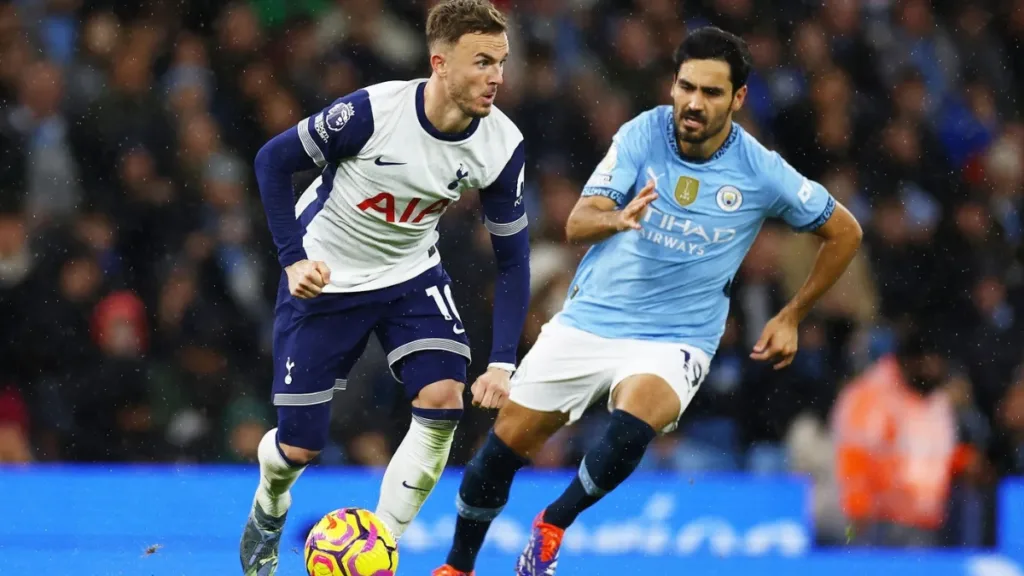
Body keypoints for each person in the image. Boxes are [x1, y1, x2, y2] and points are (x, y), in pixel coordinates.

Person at [433, 26, 863, 576]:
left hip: (676, 338)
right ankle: (457, 567)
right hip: (590, 320)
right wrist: (616, 217)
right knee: (502, 449)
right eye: (685, 87)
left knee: (637, 418)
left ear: (738, 99)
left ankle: (552, 524)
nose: (692, 102)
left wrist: (791, 315)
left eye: (710, 93)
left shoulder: (760, 169)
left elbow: (845, 231)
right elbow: (575, 223)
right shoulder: (642, 134)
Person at [239, 1, 530, 574]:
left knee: (445, 398)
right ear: (439, 63)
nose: (496, 75)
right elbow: (272, 162)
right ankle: (269, 510)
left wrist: (502, 364)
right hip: (324, 277)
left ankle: (379, 550)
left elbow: (513, 261)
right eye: (481, 62)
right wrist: (294, 260)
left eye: (501, 61)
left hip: (410, 275)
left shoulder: (501, 144)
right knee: (297, 449)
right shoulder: (371, 112)